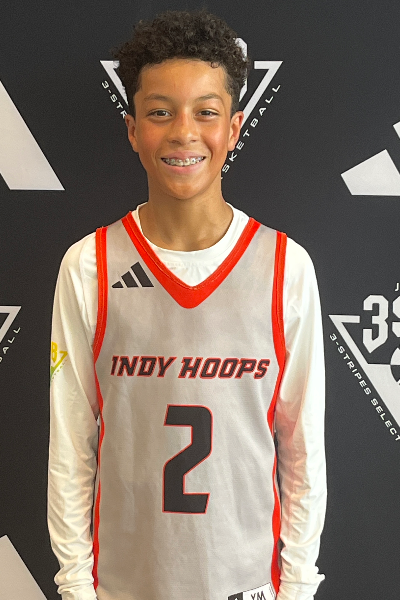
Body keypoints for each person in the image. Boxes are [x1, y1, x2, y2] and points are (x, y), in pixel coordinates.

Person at [48, 9, 326, 600]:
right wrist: (76, 586)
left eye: (206, 111)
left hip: (246, 585)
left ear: (234, 126)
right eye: (160, 112)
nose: (183, 132)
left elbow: (302, 450)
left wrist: (298, 585)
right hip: (124, 586)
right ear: (132, 130)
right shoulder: (90, 265)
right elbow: (70, 446)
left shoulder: (285, 267)